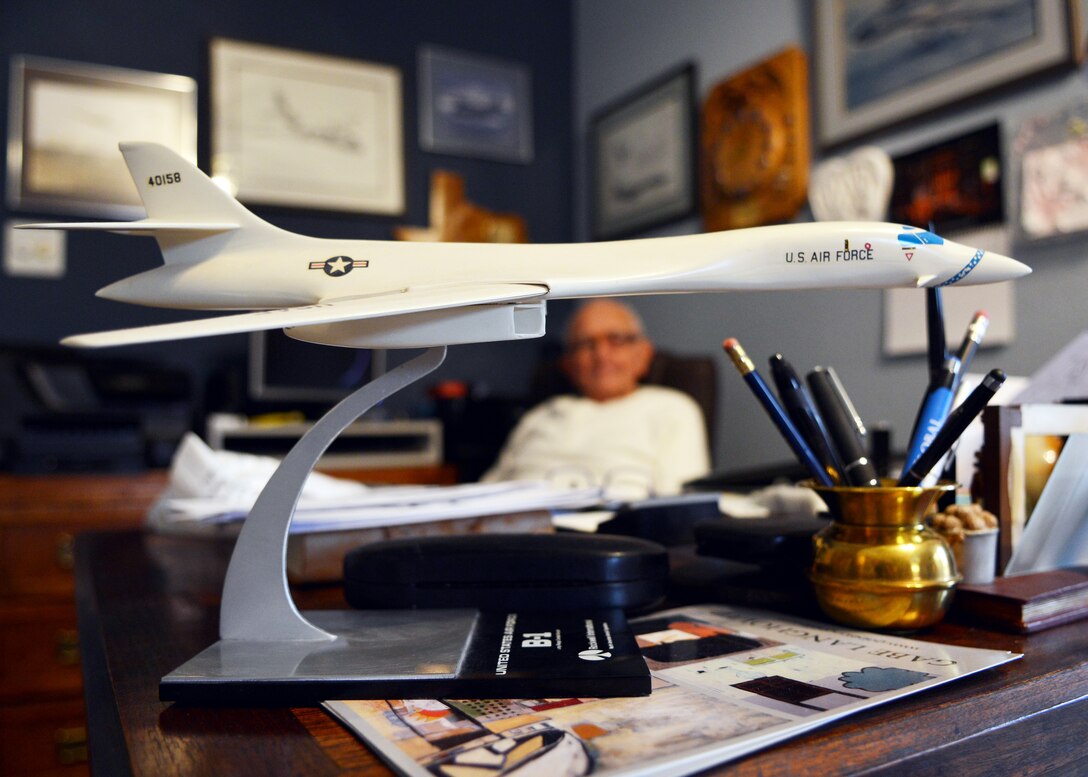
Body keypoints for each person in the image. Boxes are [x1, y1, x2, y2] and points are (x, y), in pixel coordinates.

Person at [481, 299, 711, 498]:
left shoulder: (672, 409)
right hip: (513, 526)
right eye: (586, 344)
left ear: (644, 354)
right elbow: (487, 491)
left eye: (616, 340)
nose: (601, 355)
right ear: (568, 364)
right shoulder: (539, 416)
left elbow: (680, 503)